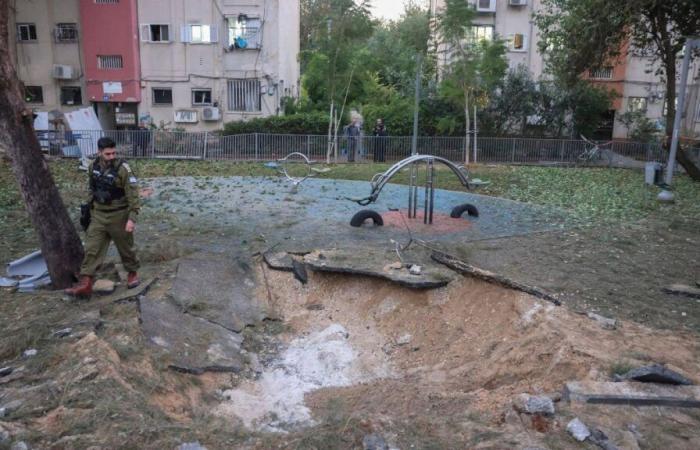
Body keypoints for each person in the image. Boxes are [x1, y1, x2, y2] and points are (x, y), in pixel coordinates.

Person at [65, 137, 141, 297]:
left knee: (126, 248)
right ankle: (85, 283)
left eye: (114, 153)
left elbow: (133, 196)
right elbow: (91, 189)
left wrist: (131, 218)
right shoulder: (93, 166)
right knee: (92, 248)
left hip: (119, 215)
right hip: (98, 214)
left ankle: (132, 273)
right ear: (100, 152)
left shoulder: (124, 169)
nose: (112, 156)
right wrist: (87, 210)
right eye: (108, 154)